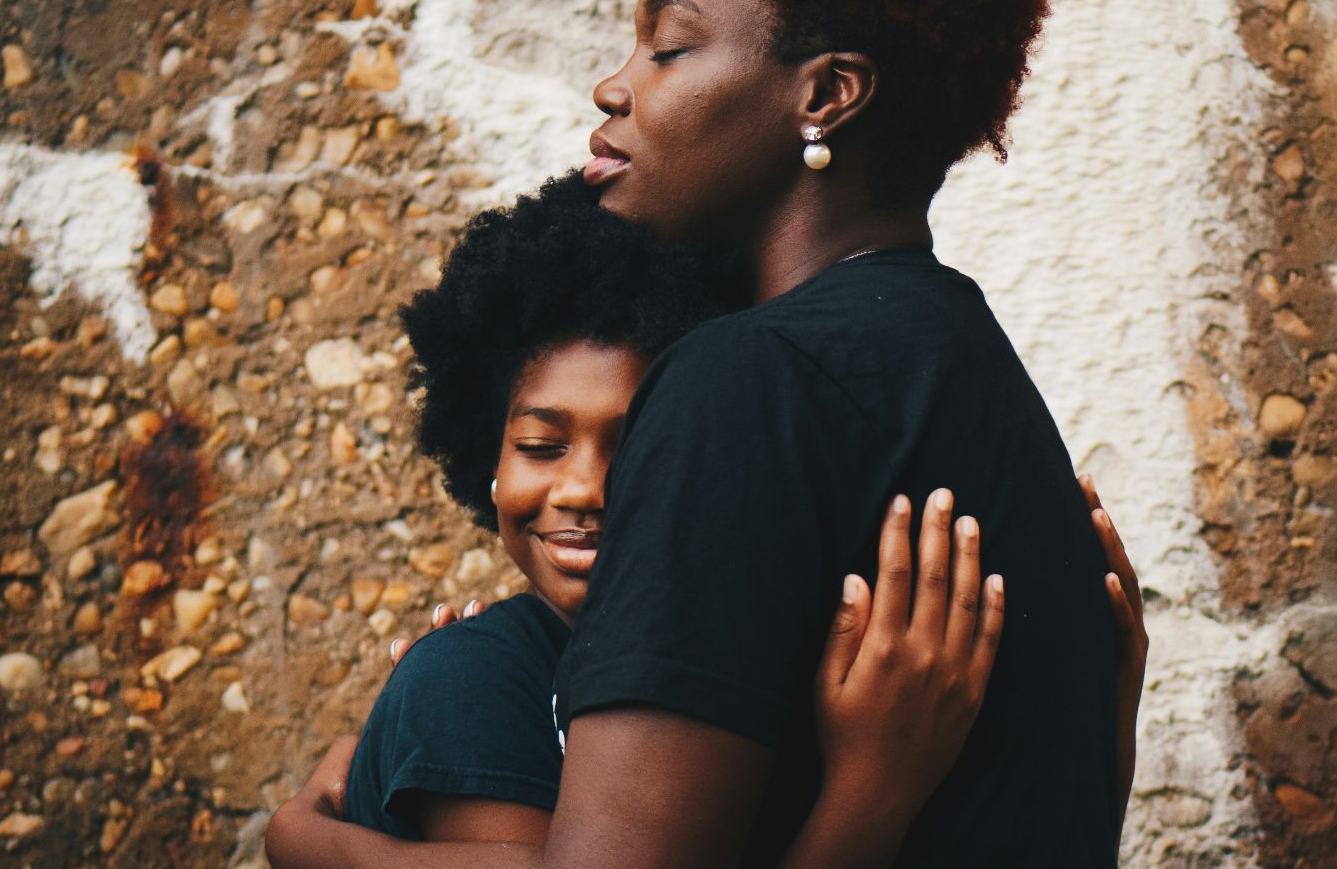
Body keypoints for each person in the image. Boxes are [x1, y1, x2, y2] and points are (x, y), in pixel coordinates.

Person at [266, 0, 1142, 865]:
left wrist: (321, 847)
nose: (615, 86)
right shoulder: (970, 371)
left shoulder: (743, 382)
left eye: (670, 48)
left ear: (825, 95)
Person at [336, 173, 1022, 866]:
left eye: (639, 446)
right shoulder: (473, 676)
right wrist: (873, 791)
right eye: (541, 448)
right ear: (487, 459)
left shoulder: (744, 669)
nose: (582, 488)